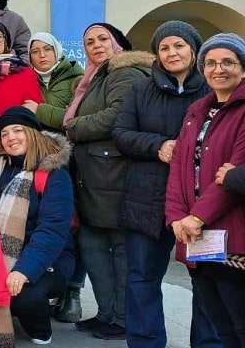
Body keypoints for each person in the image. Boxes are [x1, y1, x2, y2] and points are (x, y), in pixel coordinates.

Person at [113, 21, 218, 348]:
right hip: (147, 198)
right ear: (157, 55)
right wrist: (159, 146)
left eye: (179, 45)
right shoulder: (142, 89)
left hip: (202, 204)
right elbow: (121, 134)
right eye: (164, 47)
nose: (172, 52)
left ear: (194, 49)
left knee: (207, 281)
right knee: (142, 278)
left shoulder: (214, 89)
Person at [63, 23, 153, 341]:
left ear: (118, 43)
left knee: (118, 250)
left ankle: (121, 318)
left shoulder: (125, 71)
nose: (96, 46)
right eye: (89, 42)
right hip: (96, 177)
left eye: (103, 39)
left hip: (114, 176)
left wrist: (72, 127)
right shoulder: (96, 77)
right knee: (95, 249)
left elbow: (117, 116)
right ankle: (106, 314)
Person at [0, 107, 74, 347]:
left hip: (46, 258)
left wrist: (24, 270)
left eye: (17, 130)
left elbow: (52, 231)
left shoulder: (53, 175)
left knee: (25, 296)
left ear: (33, 133)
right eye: (4, 133)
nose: (10, 137)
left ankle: (41, 329)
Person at [166, 33, 245, 348]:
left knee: (240, 326)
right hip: (194, 235)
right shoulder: (197, 111)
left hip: (232, 234)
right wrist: (175, 217)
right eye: (211, 63)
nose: (218, 69)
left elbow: (234, 176)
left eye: (228, 62)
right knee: (220, 325)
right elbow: (179, 169)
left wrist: (196, 217)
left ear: (242, 68)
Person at [21, 31, 84, 322]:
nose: (42, 55)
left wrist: (39, 110)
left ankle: (73, 290)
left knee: (72, 224)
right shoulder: (25, 78)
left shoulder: (77, 78)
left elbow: (74, 117)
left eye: (47, 49)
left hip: (68, 159)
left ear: (57, 51)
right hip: (34, 158)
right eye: (35, 51)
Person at [0, 20, 42, 146]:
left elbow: (33, 114)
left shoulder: (24, 73)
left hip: (12, 145)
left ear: (6, 42)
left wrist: (4, 122)